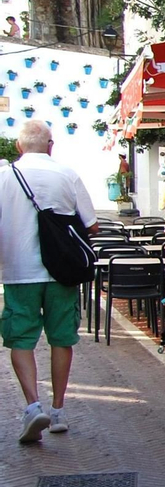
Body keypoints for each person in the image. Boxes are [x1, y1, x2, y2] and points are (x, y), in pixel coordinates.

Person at [0, 119, 99, 444]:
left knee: (20, 339)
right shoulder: (66, 174)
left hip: (18, 272)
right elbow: (92, 225)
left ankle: (33, 406)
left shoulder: (4, 177)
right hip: (61, 272)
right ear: (50, 145)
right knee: (61, 338)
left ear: (19, 146)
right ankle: (58, 410)